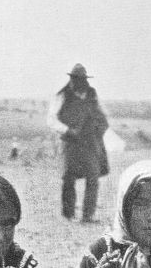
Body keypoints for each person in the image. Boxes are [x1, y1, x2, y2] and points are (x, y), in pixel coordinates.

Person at [47, 63, 109, 223]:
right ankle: (68, 215)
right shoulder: (62, 95)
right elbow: (51, 120)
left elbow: (102, 115)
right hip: (70, 142)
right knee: (68, 177)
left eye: (82, 79)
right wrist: (67, 130)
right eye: (76, 79)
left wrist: (99, 128)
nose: (79, 82)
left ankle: (88, 215)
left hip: (90, 143)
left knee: (93, 177)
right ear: (71, 79)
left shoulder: (92, 94)